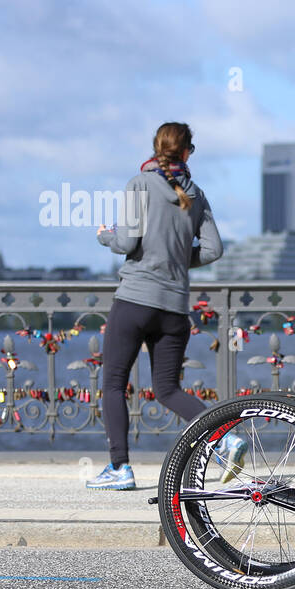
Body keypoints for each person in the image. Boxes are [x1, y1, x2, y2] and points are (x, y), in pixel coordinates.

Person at [88, 122, 244, 489]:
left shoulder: (139, 185)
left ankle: (120, 469)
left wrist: (103, 236)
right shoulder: (198, 194)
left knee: (112, 383)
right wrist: (175, 259)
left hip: (135, 300)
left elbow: (126, 242)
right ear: (187, 151)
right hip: (174, 308)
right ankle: (227, 438)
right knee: (167, 390)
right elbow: (213, 250)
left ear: (157, 148)